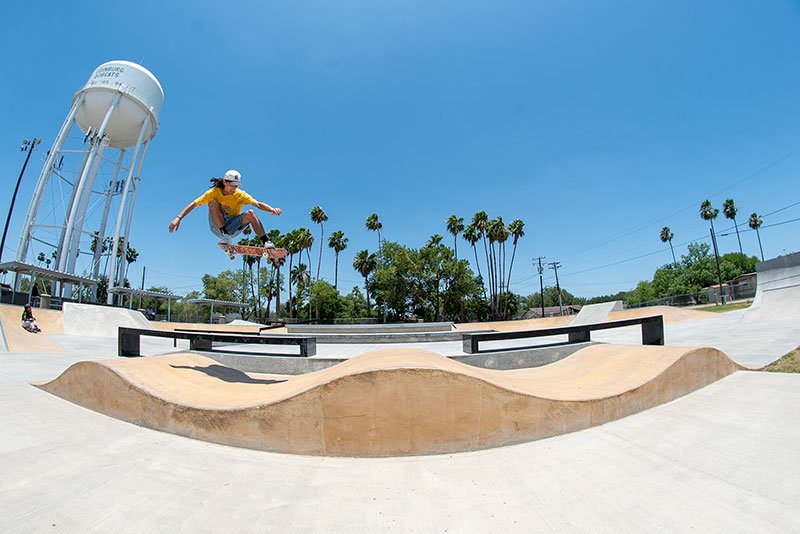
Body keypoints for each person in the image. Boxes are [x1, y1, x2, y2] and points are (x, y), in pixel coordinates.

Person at [168, 169, 281, 246]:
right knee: (212, 202)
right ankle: (225, 236)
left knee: (251, 213)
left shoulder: (240, 195)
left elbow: (258, 204)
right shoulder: (214, 192)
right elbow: (194, 203)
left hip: (233, 227)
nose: (234, 188)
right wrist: (178, 218)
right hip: (217, 227)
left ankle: (266, 241)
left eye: (236, 185)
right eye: (232, 185)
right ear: (225, 182)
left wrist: (271, 209)